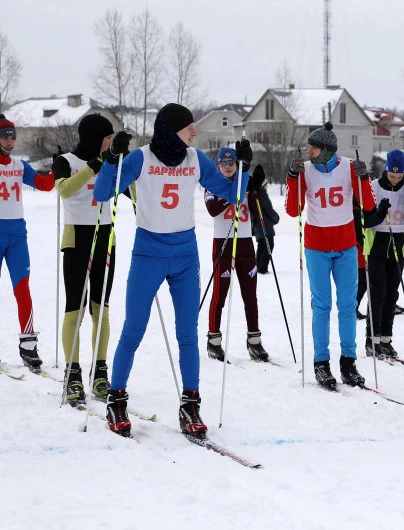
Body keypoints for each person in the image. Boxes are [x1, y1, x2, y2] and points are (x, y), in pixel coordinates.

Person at [92, 103, 255, 438]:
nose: (195, 133)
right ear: (171, 130)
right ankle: (117, 398)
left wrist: (243, 168)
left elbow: (232, 193)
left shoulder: (196, 159)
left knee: (187, 335)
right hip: (148, 253)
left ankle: (190, 404)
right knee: (133, 330)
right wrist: (111, 161)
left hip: (184, 255)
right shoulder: (141, 157)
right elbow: (102, 192)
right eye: (189, 127)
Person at [284, 122, 374, 391]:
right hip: (317, 248)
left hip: (346, 247)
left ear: (326, 150)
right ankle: (321, 362)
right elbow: (292, 210)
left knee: (347, 306)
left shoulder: (347, 167)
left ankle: (348, 361)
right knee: (321, 306)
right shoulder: (307, 171)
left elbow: (367, 205)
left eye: (312, 148)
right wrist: (292, 176)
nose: (308, 152)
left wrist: (364, 177)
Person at [53, 113, 116, 404]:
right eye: (107, 137)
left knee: (100, 309)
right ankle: (72, 373)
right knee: (74, 309)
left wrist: (121, 162)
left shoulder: (111, 162)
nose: (110, 142)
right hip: (77, 238)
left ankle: (100, 372)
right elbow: (64, 190)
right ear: (94, 137)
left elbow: (136, 195)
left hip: (105, 237)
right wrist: (93, 166)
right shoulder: (65, 160)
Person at [204, 149, 270, 363]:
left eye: (232, 162)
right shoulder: (212, 184)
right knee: (220, 295)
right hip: (223, 244)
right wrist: (233, 192)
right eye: (224, 163)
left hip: (245, 245)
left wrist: (257, 189)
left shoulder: (245, 182)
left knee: (250, 296)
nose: (228, 165)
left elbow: (257, 213)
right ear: (218, 165)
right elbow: (213, 209)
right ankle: (213, 341)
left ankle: (254, 341)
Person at [0, 114, 54, 371]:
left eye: (12, 137)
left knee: (23, 290)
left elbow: (43, 185)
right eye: (4, 137)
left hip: (17, 235)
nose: (9, 141)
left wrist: (59, 171)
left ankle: (28, 346)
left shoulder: (19, 166)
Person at [362, 149, 404, 360]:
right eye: (391, 175)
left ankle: (385, 339)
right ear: (386, 170)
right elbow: (366, 221)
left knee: (392, 293)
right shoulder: (373, 187)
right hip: (377, 243)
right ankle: (371, 339)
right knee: (377, 292)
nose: (395, 180)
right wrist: (379, 213)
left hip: (398, 242)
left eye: (399, 176)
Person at [251, 167, 279, 274]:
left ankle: (258, 265)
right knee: (268, 245)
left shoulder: (254, 192)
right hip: (264, 224)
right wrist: (275, 217)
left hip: (257, 225)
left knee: (262, 245)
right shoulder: (262, 193)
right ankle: (262, 267)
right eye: (265, 183)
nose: (267, 185)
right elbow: (268, 208)